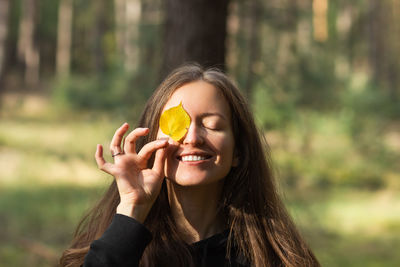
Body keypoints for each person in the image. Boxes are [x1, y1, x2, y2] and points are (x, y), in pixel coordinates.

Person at [60, 64, 320, 267]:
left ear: (238, 151)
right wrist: (131, 209)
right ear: (150, 144)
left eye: (212, 125)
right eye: (178, 124)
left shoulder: (275, 257)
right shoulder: (121, 247)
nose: (193, 137)